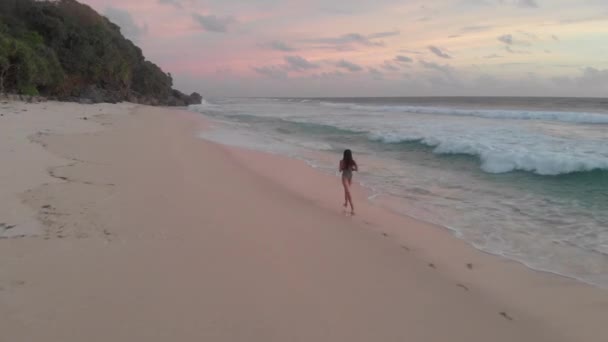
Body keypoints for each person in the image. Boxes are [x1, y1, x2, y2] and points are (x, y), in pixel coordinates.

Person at [339, 149, 358, 215]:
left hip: (350, 178)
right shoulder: (343, 161)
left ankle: (346, 203)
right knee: (348, 191)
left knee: (346, 191)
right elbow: (340, 170)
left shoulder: (352, 162)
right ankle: (352, 208)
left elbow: (356, 169)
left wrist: (351, 169)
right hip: (345, 178)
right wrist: (350, 168)